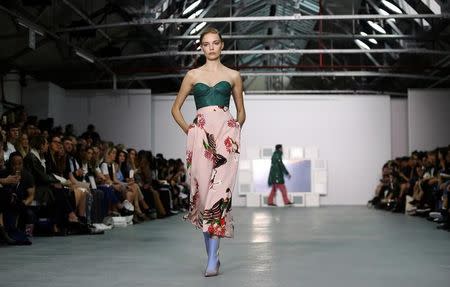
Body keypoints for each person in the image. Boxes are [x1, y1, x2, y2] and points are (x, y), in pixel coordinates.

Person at [171, 27, 246, 277]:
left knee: (218, 198)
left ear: (222, 45)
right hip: (200, 141)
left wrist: (234, 130)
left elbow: (241, 111)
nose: (211, 47)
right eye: (206, 44)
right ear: (201, 47)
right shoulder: (192, 75)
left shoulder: (234, 75)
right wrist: (190, 132)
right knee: (203, 199)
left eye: (215, 43)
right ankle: (212, 255)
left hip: (226, 139)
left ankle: (212, 260)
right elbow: (176, 109)